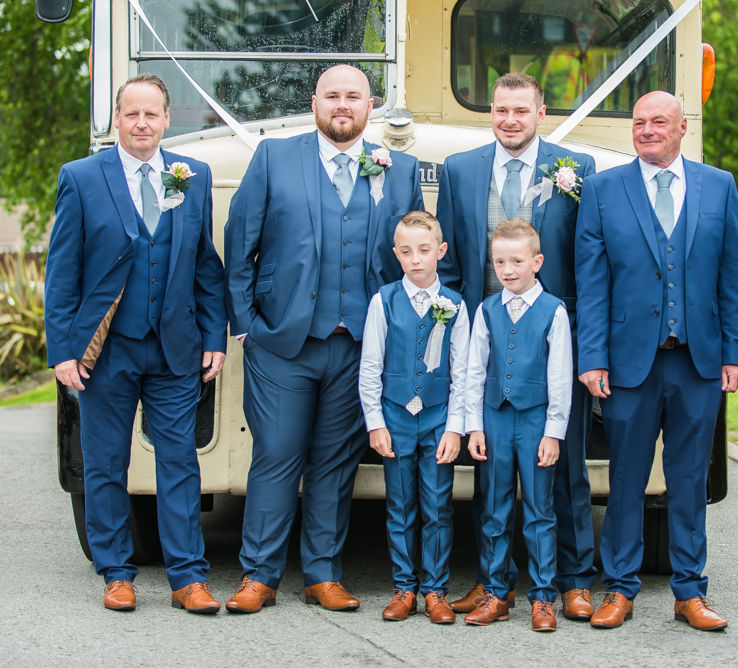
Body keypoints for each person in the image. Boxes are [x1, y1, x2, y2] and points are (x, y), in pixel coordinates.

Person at [223, 65, 423, 613]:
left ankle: (322, 575)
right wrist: (246, 326)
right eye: (332, 95)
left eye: (353, 97)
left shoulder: (399, 170)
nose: (342, 105)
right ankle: (259, 576)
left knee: (335, 463)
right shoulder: (273, 158)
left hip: (359, 346)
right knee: (278, 456)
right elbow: (239, 244)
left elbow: (412, 256)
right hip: (282, 343)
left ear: (370, 106)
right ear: (314, 102)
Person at [44, 73, 227, 613]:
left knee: (180, 462)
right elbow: (62, 272)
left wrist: (214, 335)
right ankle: (116, 572)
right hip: (106, 349)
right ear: (117, 120)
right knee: (105, 462)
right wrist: (62, 350)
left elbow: (204, 265)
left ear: (167, 119)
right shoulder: (81, 177)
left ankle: (188, 577)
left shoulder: (192, 174)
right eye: (132, 114)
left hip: (175, 347)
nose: (142, 123)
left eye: (152, 114)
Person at [575, 91, 738, 630]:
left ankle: (689, 591)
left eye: (658, 122)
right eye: (639, 122)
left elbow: (732, 277)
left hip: (697, 360)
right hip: (628, 363)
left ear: (681, 128)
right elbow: (592, 282)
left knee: (689, 478)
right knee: (625, 479)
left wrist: (735, 352)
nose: (647, 130)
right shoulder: (603, 190)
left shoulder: (718, 186)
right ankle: (620, 589)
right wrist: (593, 357)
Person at [437, 72, 598, 620]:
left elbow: (586, 258)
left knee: (566, 468)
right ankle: (492, 583)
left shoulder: (574, 170)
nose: (510, 119)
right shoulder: (460, 170)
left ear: (541, 112)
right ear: (491, 112)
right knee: (492, 472)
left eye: (521, 110)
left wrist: (583, 339)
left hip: (552, 335)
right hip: (484, 335)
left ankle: (572, 580)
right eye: (501, 109)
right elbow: (454, 258)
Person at [358, 211, 470, 625]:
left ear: (439, 251)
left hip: (439, 417)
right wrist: (375, 422)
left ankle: (436, 589)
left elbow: (463, 371)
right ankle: (404, 587)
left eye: (424, 250)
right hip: (396, 416)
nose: (415, 259)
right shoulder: (383, 301)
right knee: (400, 505)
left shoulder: (455, 304)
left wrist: (456, 427)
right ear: (396, 254)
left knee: (438, 505)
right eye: (406, 252)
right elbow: (370, 366)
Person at [463, 219, 572, 632]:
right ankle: (495, 591)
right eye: (499, 262)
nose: (507, 270)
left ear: (537, 262)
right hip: (494, 417)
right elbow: (475, 370)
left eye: (516, 261)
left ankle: (543, 597)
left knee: (540, 510)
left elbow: (560, 375)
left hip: (536, 420)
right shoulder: (487, 309)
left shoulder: (553, 310)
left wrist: (553, 432)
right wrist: (474, 426)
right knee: (494, 506)